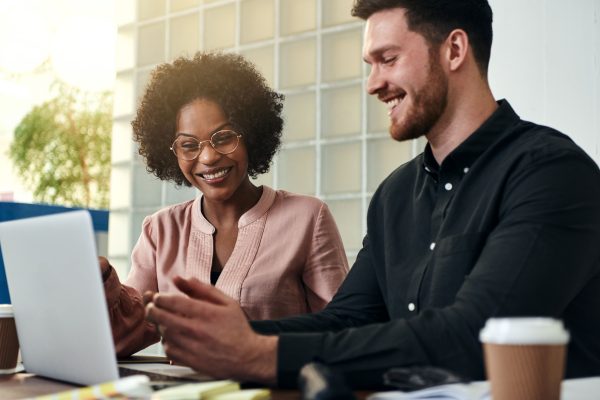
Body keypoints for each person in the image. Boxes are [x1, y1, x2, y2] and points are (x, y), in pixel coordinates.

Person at [144, 0, 600, 389]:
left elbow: (471, 335)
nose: (372, 83)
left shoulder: (551, 172)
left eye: (388, 59)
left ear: (454, 50)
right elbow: (345, 320)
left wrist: (261, 354)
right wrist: (235, 333)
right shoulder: (395, 195)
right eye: (370, 65)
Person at [100, 52, 349, 357]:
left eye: (223, 137)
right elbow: (123, 336)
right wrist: (103, 282)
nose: (208, 158)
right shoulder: (160, 230)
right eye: (189, 145)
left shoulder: (308, 218)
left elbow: (343, 331)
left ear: (251, 134)